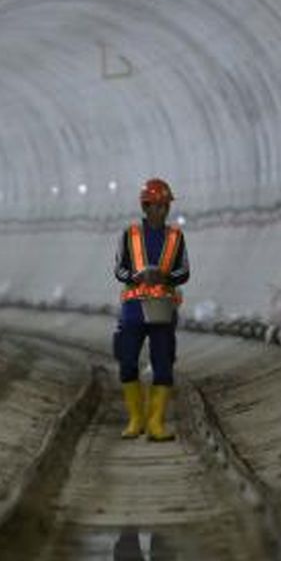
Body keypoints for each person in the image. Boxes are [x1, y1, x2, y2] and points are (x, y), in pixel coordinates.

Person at [113, 177, 189, 441]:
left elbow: (185, 272)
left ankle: (156, 423)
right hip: (134, 310)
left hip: (162, 311)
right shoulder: (129, 235)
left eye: (164, 205)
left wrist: (165, 276)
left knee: (163, 364)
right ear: (145, 207)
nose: (161, 210)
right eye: (156, 205)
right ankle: (136, 419)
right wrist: (138, 275)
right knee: (127, 362)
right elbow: (118, 269)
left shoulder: (176, 237)